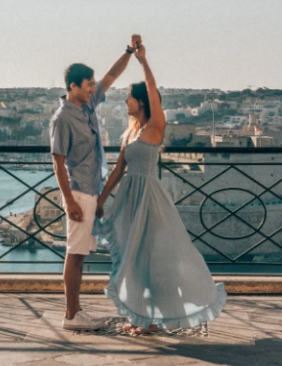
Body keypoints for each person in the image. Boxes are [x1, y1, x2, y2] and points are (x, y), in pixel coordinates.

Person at [96, 37, 227, 333]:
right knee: (134, 260)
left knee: (156, 259)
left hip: (150, 199)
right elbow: (118, 171)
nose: (125, 101)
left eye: (129, 97)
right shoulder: (129, 133)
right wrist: (103, 200)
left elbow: (153, 91)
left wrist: (143, 61)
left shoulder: (155, 128)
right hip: (129, 199)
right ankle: (141, 319)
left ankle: (156, 318)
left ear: (141, 101)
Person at [50, 43, 135, 330]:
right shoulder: (62, 119)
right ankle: (71, 315)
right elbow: (58, 164)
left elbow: (111, 76)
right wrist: (69, 202)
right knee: (75, 253)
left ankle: (76, 312)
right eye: (88, 85)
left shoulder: (87, 104)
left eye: (92, 85)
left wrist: (129, 51)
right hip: (78, 192)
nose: (92, 89)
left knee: (81, 252)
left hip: (91, 190)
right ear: (72, 86)